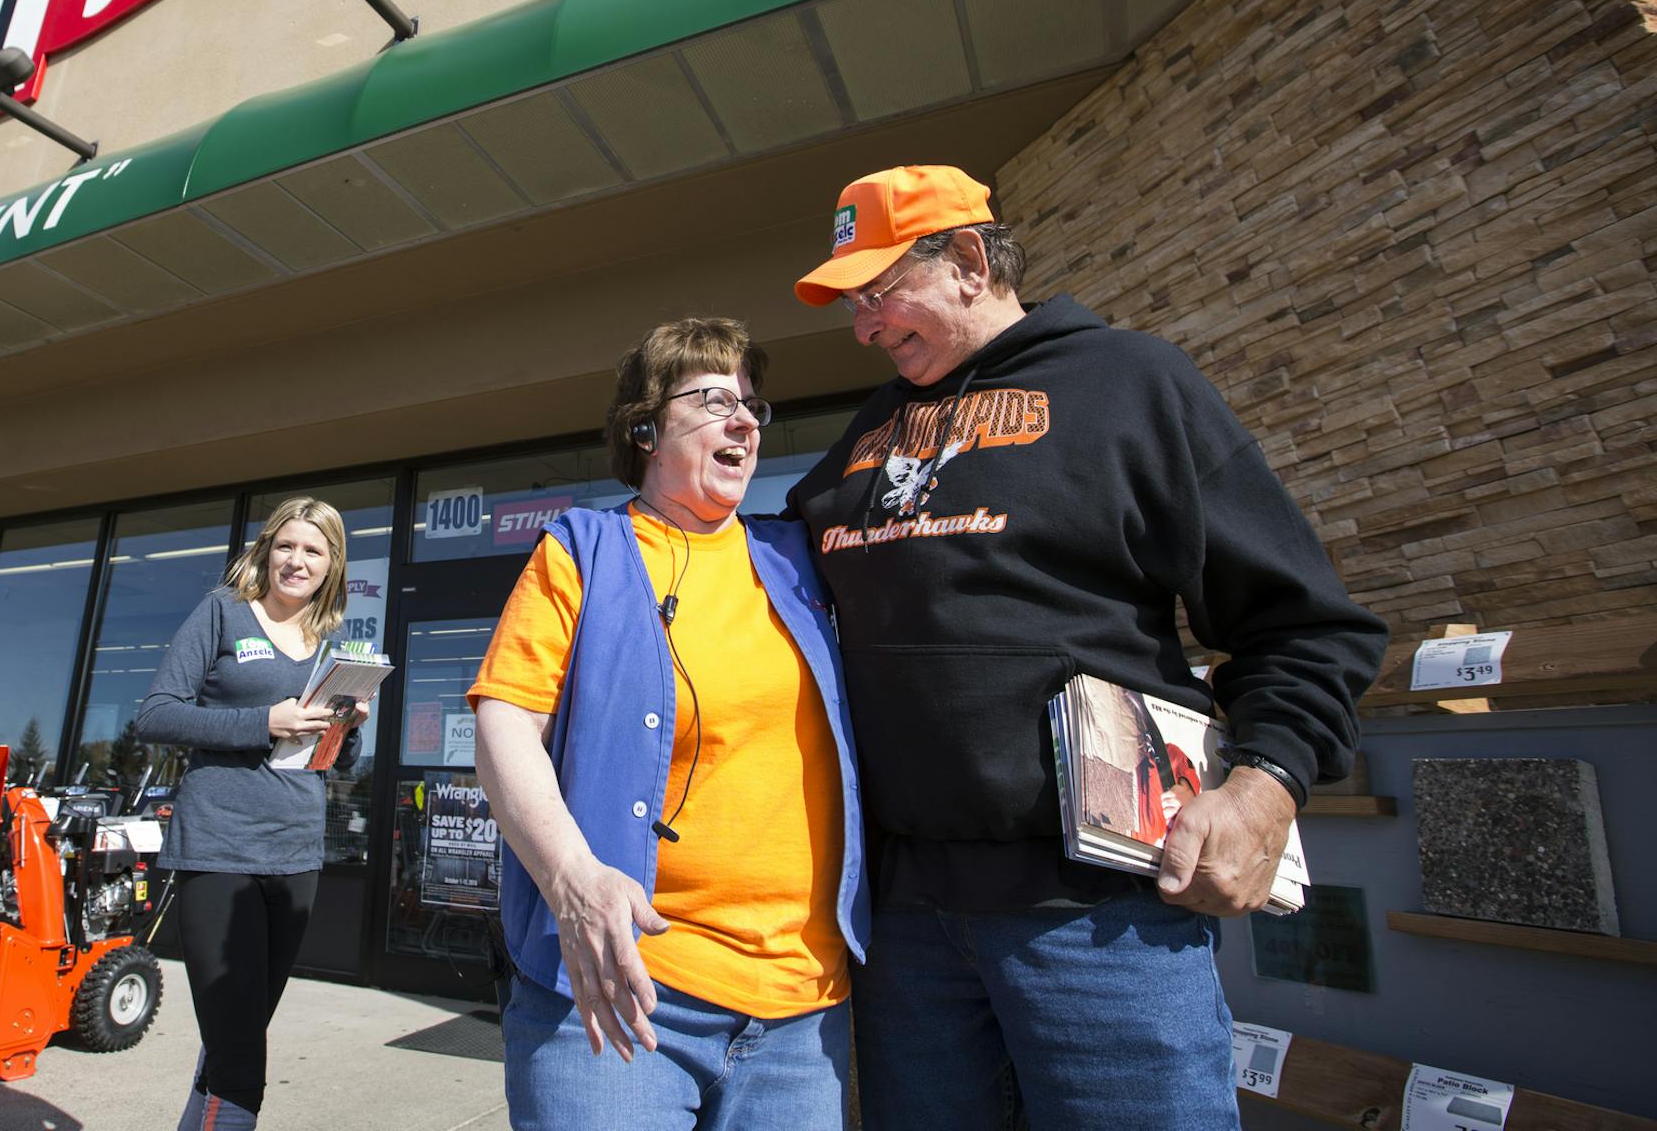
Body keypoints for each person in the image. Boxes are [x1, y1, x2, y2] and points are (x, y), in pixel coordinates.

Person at [785, 165, 1388, 1131]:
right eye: (852, 303)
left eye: (879, 290)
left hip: (1103, 921)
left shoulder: (1133, 384)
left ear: (970, 260)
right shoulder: (867, 434)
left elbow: (1304, 623)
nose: (864, 325)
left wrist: (1266, 784)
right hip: (906, 932)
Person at [470, 318, 869, 1131]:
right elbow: (506, 724)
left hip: (802, 1013)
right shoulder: (583, 549)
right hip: (621, 998)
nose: (746, 420)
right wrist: (571, 878)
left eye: (754, 404)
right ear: (646, 428)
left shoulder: (800, 561)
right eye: (716, 399)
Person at [136, 497, 369, 1131]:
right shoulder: (223, 612)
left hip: (295, 853)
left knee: (233, 1037)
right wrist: (263, 720)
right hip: (218, 848)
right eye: (287, 546)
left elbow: (328, 762)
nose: (297, 561)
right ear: (266, 550)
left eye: (314, 551)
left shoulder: (332, 641)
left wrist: (347, 729)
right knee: (242, 1058)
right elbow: (154, 715)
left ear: (332, 565)